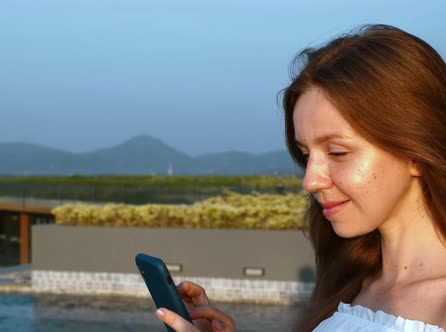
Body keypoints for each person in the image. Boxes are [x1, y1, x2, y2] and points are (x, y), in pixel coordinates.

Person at [154, 24, 446, 331]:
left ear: (415, 152)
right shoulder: (350, 287)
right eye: (305, 155)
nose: (311, 181)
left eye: (337, 152)